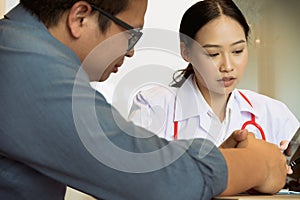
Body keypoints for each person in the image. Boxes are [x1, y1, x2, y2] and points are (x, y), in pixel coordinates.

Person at [0, 0, 289, 199]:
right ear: (80, 18)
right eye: (131, 35)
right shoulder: (23, 65)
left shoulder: (18, 48)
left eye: (237, 51)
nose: (131, 53)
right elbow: (150, 178)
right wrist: (258, 164)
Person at [129, 0, 299, 147]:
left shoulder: (273, 113)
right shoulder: (153, 107)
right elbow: (137, 178)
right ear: (186, 52)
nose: (228, 66)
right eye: (213, 54)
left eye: (238, 51)